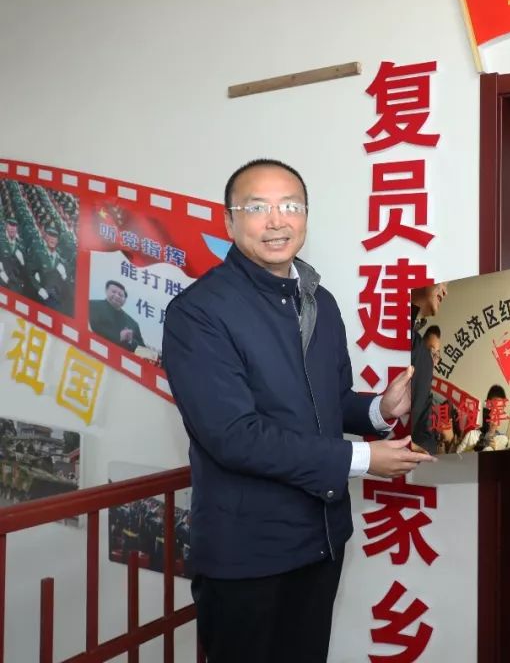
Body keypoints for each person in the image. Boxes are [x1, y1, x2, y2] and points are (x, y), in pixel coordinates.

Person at [162, 159, 436, 663]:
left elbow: (329, 402)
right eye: (257, 208)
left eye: (290, 206)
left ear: (306, 216)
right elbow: (234, 436)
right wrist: (362, 460)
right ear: (228, 221)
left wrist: (381, 409)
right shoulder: (199, 313)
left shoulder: (319, 302)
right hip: (247, 554)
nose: (276, 221)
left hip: (322, 539)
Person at [409, 285, 447, 455]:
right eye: (443, 282)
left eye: (437, 355)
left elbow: (424, 426)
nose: (445, 291)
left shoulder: (425, 365)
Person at [89, 280, 146, 351]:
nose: (117, 296)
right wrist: (118, 337)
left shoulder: (133, 324)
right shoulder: (91, 305)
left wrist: (130, 340)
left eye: (120, 295)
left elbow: (142, 349)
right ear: (106, 291)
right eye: (113, 292)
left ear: (125, 300)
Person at [0, 217, 30, 296]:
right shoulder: (1, 239)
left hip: (14, 283)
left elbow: (25, 269)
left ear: (17, 228)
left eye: (14, 226)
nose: (12, 228)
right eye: (10, 225)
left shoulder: (21, 244)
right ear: (6, 225)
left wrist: (22, 262)